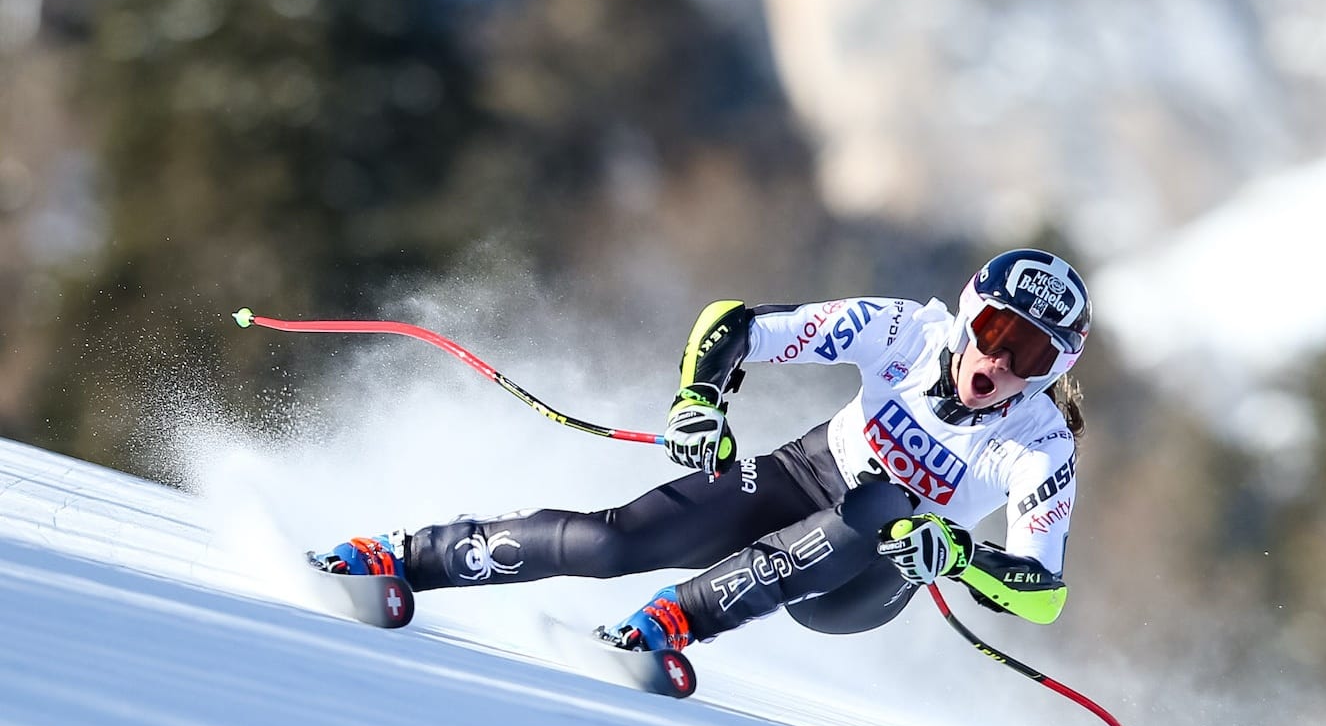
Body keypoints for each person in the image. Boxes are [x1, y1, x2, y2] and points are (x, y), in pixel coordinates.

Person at [310, 248, 1089, 669]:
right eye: (994, 333)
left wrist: (955, 553)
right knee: (615, 541)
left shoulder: (1038, 442)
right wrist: (701, 400)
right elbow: (736, 324)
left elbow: (1043, 593)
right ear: (967, 313)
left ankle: (677, 619)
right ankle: (409, 556)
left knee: (883, 507)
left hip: (867, 578)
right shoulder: (906, 331)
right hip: (803, 474)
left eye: (1029, 356)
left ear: (1050, 375)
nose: (1000, 365)